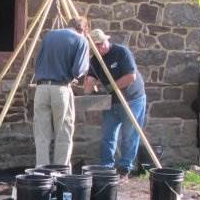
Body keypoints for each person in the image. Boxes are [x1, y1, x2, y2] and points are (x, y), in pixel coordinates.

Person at [83, 28, 146, 177]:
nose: (100, 47)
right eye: (96, 45)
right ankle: (106, 168)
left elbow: (131, 76)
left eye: (102, 43)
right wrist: (88, 84)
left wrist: (110, 87)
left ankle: (125, 167)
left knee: (130, 135)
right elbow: (89, 85)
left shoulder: (121, 52)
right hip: (111, 101)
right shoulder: (95, 60)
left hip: (132, 99)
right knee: (108, 134)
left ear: (107, 40)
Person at [33, 17, 89, 166]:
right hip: (61, 89)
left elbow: (37, 61)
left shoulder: (49, 35)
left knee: (41, 134)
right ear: (82, 29)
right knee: (63, 132)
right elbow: (79, 70)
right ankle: (60, 172)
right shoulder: (81, 40)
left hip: (41, 89)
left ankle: (41, 173)